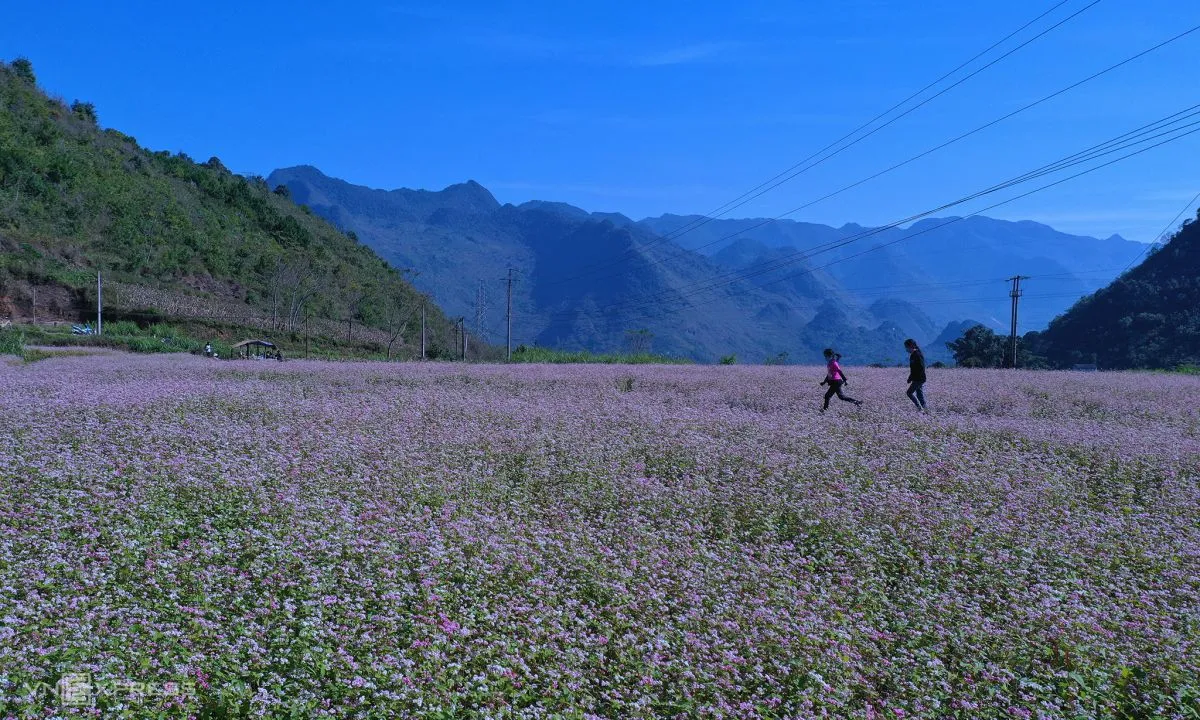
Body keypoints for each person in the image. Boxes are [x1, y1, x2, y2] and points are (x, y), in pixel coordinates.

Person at [904, 338, 928, 411]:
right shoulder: (913, 355)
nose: (906, 349)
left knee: (909, 393)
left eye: (906, 347)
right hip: (917, 378)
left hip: (919, 379)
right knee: (919, 395)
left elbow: (921, 368)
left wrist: (914, 378)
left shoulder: (917, 355)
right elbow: (913, 369)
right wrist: (910, 378)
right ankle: (925, 409)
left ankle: (919, 408)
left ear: (911, 346)